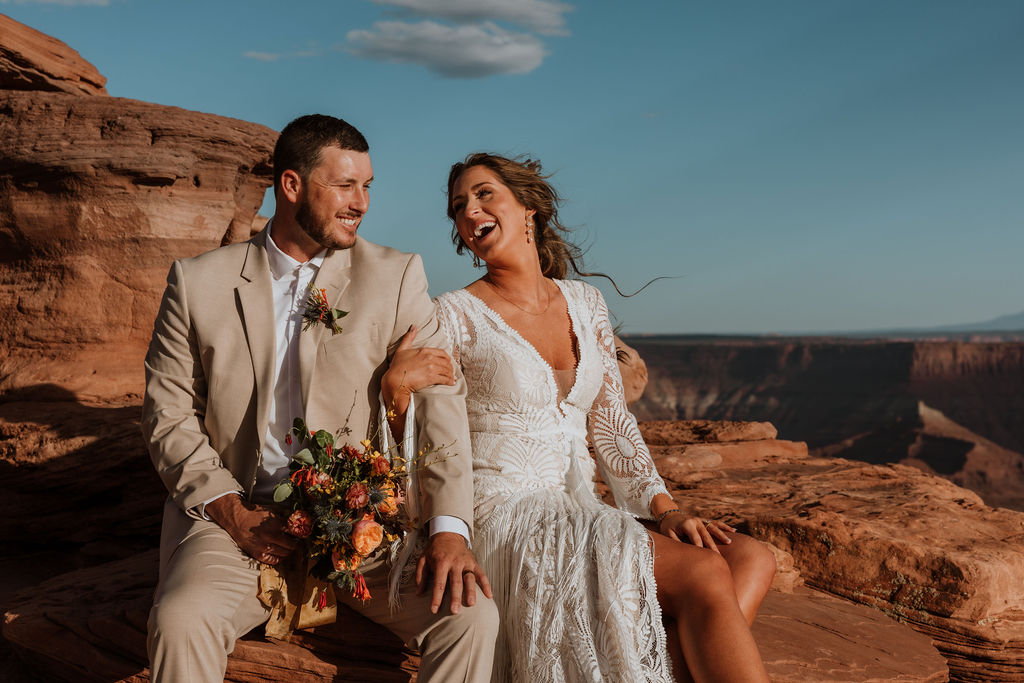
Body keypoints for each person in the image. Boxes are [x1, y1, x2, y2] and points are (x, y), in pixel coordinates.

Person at [382, 153, 776, 682]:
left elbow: (613, 425)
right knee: (704, 572)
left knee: (751, 559)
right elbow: (428, 436)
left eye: (483, 194)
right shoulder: (452, 314)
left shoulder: (586, 302)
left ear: (529, 209)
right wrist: (396, 390)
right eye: (458, 206)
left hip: (577, 503)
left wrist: (665, 510)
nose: (469, 210)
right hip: (504, 510)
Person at [141, 115, 499, 683]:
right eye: (345, 185)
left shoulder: (397, 275)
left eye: (368, 186)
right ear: (291, 186)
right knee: (182, 619)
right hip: (241, 519)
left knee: (471, 618)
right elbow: (169, 417)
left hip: (366, 525)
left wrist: (449, 530)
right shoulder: (197, 282)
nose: (361, 202)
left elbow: (440, 407)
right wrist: (232, 512)